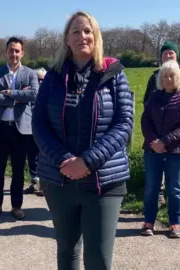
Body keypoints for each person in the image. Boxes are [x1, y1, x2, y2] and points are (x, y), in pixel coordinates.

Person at [32, 11, 134, 270]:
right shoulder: (53, 76)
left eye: (87, 31)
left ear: (96, 37)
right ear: (67, 39)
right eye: (75, 31)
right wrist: (64, 159)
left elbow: (124, 124)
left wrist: (87, 161)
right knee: (67, 252)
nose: (82, 36)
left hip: (104, 181)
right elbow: (39, 123)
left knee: (98, 258)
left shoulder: (113, 73)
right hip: (59, 179)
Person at [141, 60, 180, 238]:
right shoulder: (154, 96)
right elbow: (145, 121)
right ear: (160, 78)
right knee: (152, 187)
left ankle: (175, 224)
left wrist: (164, 141)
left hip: (176, 151)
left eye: (172, 75)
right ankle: (148, 222)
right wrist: (154, 141)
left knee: (174, 188)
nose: (168, 78)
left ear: (179, 77)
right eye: (165, 75)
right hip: (152, 150)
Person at [0, 36, 39, 220]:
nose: (14, 54)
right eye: (11, 50)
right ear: (6, 52)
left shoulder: (30, 74)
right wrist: (18, 98)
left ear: (22, 53)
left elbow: (33, 94)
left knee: (18, 170)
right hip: (0, 128)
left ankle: (16, 206)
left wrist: (10, 94)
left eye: (17, 50)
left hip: (21, 130)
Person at [24, 67, 46, 196]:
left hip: (44, 132)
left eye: (43, 80)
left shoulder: (50, 93)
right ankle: (34, 183)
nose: (40, 82)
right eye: (38, 80)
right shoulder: (29, 92)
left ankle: (43, 185)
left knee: (44, 158)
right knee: (32, 158)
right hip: (30, 130)